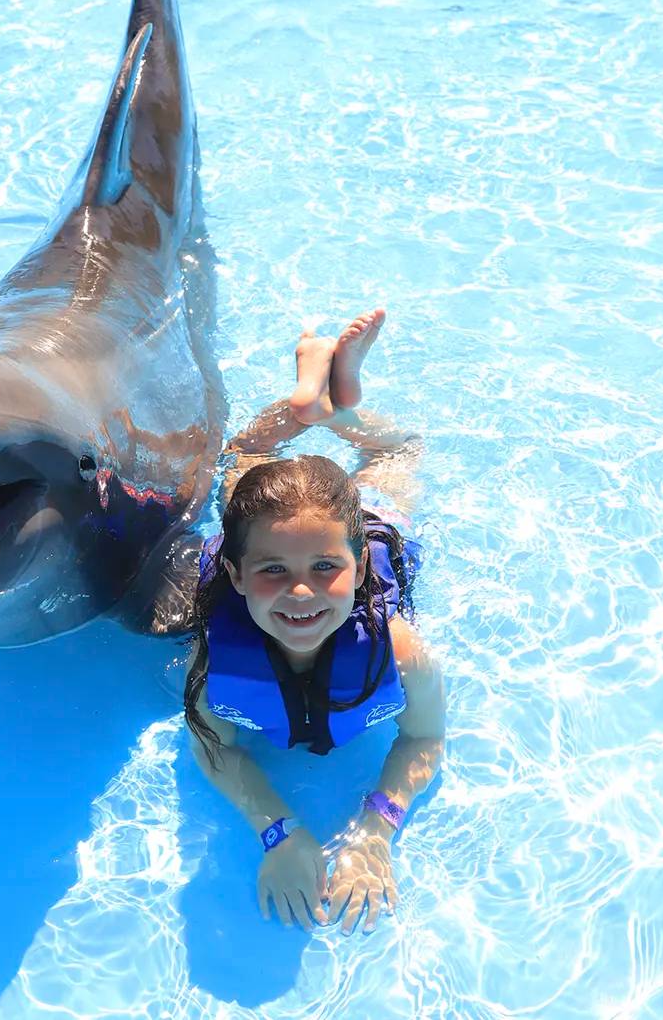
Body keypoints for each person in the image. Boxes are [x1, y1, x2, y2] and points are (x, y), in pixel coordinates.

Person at [184, 308, 445, 936]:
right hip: (277, 525)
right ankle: (313, 400)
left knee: (398, 450)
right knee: (244, 456)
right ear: (238, 575)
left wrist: (377, 832)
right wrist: (279, 832)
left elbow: (424, 739)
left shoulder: (399, 648)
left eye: (326, 567)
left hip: (366, 514)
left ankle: (329, 406)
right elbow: (212, 747)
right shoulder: (217, 656)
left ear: (358, 573)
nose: (301, 592)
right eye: (272, 570)